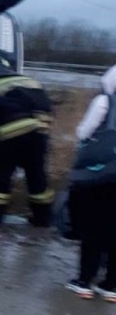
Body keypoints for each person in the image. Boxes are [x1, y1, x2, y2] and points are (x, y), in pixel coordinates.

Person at [0, 57, 54, 228]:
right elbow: (47, 107)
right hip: (39, 133)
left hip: (12, 135)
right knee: (37, 176)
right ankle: (43, 219)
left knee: (1, 176)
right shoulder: (31, 82)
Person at [66, 65, 116, 302]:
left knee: (94, 228)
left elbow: (84, 132)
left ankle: (84, 281)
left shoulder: (104, 101)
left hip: (101, 175)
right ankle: (111, 287)